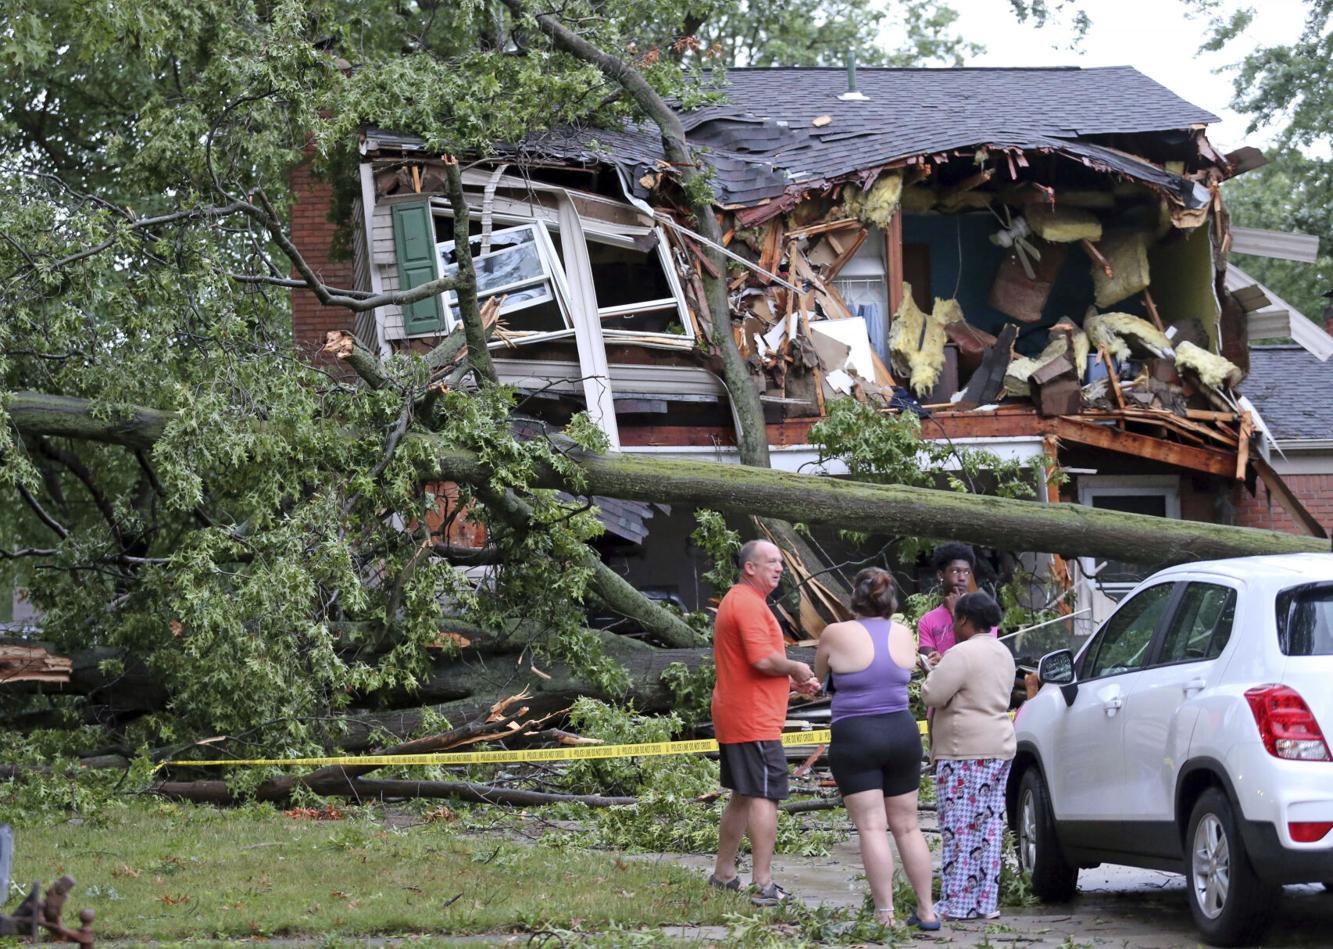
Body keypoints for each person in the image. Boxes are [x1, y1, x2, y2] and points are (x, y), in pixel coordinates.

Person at [814, 568, 939, 931]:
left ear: (855, 596)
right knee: (909, 827)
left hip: (856, 735)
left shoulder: (834, 633)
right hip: (902, 733)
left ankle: (885, 915)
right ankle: (927, 911)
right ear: (890, 599)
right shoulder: (904, 633)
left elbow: (821, 680)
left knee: (872, 827)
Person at [709, 539, 820, 906]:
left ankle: (724, 875)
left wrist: (792, 683)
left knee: (743, 794)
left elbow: (751, 665)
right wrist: (797, 667)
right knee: (765, 794)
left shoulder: (743, 600)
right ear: (749, 567)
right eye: (771, 561)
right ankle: (763, 883)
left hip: (740, 712)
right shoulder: (746, 603)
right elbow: (761, 660)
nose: (779, 567)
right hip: (751, 718)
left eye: (780, 563)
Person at [921, 591, 1016, 921]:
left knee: (959, 828)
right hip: (999, 745)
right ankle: (984, 902)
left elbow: (933, 694)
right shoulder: (1003, 652)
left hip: (965, 751)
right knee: (987, 828)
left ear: (963, 619)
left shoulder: (961, 653)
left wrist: (929, 671)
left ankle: (957, 904)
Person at [918, 543, 997, 668]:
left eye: (967, 572)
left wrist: (955, 612)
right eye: (956, 571)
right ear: (940, 575)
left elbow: (981, 657)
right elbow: (929, 666)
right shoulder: (927, 621)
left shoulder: (984, 613)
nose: (962, 578)